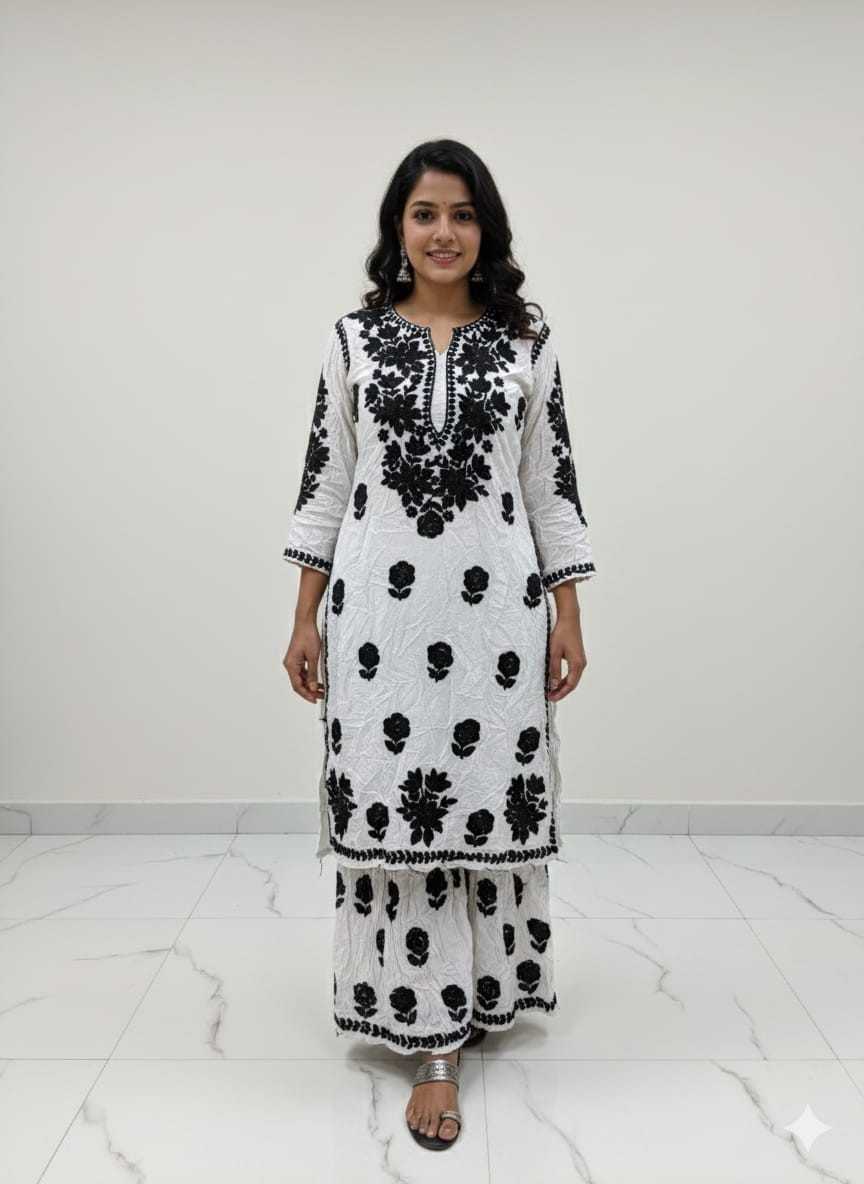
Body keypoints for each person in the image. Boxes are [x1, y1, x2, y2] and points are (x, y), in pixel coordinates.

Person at [281, 139, 597, 1151]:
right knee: (395, 797)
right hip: (376, 621)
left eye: (461, 214)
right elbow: (329, 482)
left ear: (485, 228)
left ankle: (479, 998)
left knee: (479, 800)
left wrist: (570, 614)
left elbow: (550, 487)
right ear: (397, 229)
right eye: (424, 213)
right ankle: (429, 1036)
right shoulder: (353, 340)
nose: (444, 232)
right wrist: (302, 613)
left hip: (497, 621)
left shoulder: (526, 344)